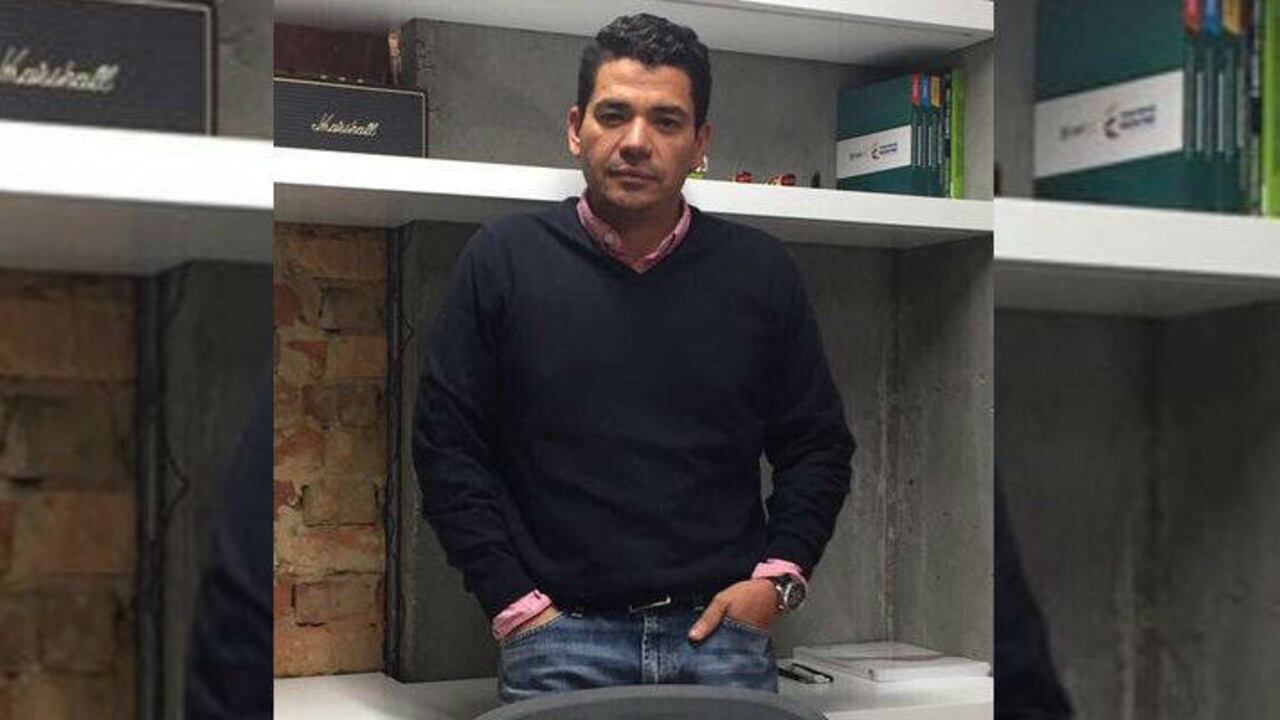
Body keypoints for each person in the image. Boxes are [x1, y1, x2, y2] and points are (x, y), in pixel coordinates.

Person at [413, 13, 854, 704]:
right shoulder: (502, 261)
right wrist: (515, 606)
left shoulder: (761, 273)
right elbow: (446, 449)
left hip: (722, 640)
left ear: (700, 143)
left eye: (666, 121)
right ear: (575, 128)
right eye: (613, 114)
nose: (636, 142)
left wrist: (778, 582)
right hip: (557, 644)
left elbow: (817, 446)